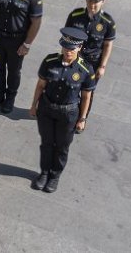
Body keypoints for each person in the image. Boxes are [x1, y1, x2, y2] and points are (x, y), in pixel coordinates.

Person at [29, 28, 95, 194]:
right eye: (65, 47)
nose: (68, 51)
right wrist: (33, 105)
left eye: (71, 49)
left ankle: (55, 175)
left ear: (79, 48)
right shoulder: (50, 61)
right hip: (47, 108)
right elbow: (40, 85)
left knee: (62, 146)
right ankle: (44, 173)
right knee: (46, 143)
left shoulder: (85, 69)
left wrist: (82, 119)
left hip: (68, 113)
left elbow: (86, 97)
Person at [64, 0, 115, 130]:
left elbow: (107, 45)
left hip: (93, 62)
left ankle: (82, 119)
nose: (92, 5)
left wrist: (102, 66)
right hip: (75, 59)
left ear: (103, 2)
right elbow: (67, 37)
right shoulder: (75, 15)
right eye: (89, 1)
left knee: (88, 92)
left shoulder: (107, 21)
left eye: (96, 2)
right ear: (86, 0)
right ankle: (69, 116)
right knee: (70, 86)